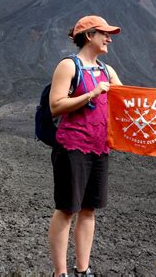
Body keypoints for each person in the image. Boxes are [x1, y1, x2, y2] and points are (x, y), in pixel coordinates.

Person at [48, 15, 122, 277]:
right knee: (67, 209)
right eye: (105, 33)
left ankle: (83, 270)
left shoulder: (107, 70)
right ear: (90, 35)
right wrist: (91, 94)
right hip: (72, 148)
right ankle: (60, 273)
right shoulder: (69, 66)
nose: (109, 38)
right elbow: (55, 106)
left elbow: (128, 101)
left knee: (89, 210)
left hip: (99, 148)